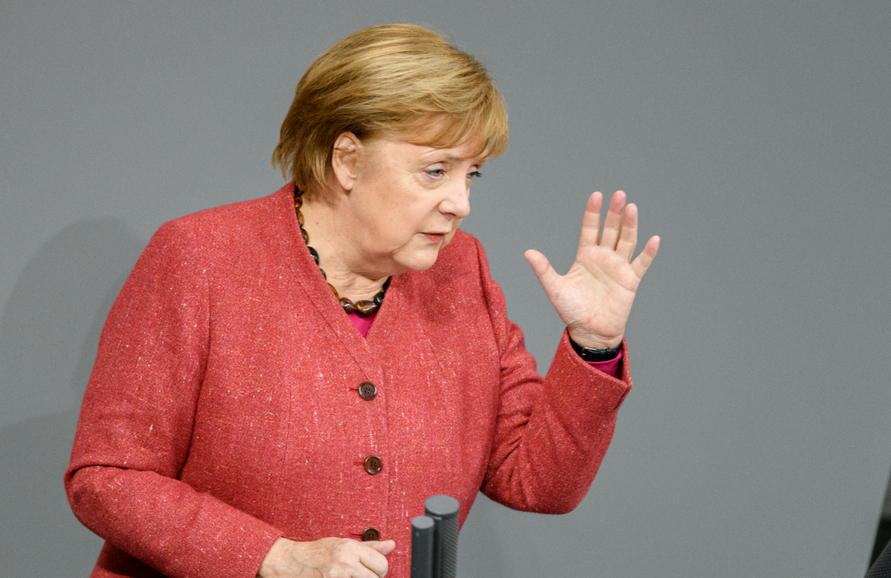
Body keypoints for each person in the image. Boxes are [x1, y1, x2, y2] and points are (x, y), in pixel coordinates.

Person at [65, 23, 659, 578]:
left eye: (471, 174)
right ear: (346, 158)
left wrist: (595, 342)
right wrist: (274, 556)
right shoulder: (200, 258)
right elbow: (108, 478)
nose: (461, 203)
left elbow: (538, 482)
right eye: (435, 170)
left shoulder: (463, 271)